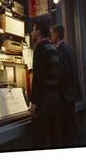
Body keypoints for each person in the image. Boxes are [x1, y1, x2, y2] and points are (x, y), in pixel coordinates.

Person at [29, 20, 62, 148]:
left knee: (40, 139)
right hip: (55, 97)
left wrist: (33, 103)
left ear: (38, 32)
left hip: (44, 99)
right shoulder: (53, 47)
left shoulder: (40, 48)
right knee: (54, 136)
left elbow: (38, 77)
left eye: (33, 30)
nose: (31, 33)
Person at [50, 24, 82, 147]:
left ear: (57, 34)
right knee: (71, 124)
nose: (51, 36)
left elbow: (64, 73)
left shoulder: (60, 50)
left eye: (52, 33)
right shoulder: (68, 48)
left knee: (66, 128)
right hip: (71, 93)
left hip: (65, 95)